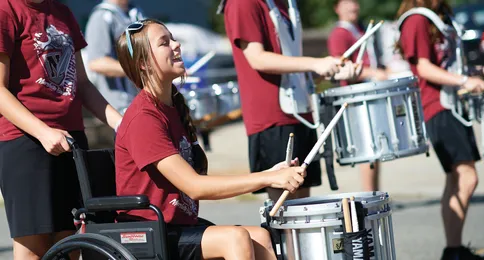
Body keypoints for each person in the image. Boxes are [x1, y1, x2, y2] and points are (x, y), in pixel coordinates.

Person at [114, 18, 307, 260]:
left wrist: (272, 173)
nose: (176, 45)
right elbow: (195, 187)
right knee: (235, 238)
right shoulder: (143, 118)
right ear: (143, 63)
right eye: (165, 43)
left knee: (260, 236)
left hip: (178, 225)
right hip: (148, 231)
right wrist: (269, 178)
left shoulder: (171, 107)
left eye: (173, 38)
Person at [0, 0, 123, 259]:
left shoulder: (62, 11)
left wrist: (121, 123)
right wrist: (43, 132)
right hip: (26, 140)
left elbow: (83, 85)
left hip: (71, 139)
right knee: (34, 248)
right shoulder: (6, 9)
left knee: (71, 245)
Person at [219, 0, 359, 203]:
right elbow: (257, 58)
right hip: (272, 118)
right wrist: (315, 63)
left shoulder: (286, 3)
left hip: (300, 112)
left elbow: (290, 64)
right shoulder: (243, 2)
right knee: (285, 214)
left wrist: (333, 70)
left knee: (303, 210)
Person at [396, 0, 484, 259]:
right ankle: (452, 250)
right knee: (467, 177)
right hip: (437, 107)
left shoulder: (439, 17)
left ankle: (454, 249)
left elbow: (450, 65)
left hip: (452, 105)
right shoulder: (417, 19)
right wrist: (463, 80)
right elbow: (424, 68)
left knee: (456, 179)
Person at [327, 0, 389, 192]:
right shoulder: (339, 34)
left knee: (376, 151)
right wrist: (372, 73)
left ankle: (375, 193)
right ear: (337, 8)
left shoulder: (359, 29)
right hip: (355, 99)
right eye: (347, 4)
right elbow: (340, 69)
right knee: (368, 152)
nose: (353, 7)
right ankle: (370, 196)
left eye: (354, 3)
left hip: (369, 95)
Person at [84, 0, 145, 115]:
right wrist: (138, 69)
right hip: (120, 105)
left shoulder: (136, 12)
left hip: (141, 101)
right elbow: (96, 63)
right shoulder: (102, 16)